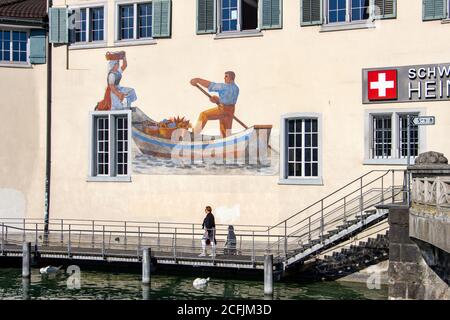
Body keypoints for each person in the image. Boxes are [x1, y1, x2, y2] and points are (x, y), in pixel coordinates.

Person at [190, 71, 239, 138]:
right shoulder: (236, 88)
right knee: (225, 132)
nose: (224, 78)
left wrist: (198, 80)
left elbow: (211, 85)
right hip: (231, 111)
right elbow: (228, 99)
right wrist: (218, 99)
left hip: (223, 109)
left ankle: (193, 135)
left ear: (231, 78)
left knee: (203, 115)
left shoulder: (224, 86)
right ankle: (226, 143)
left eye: (226, 76)